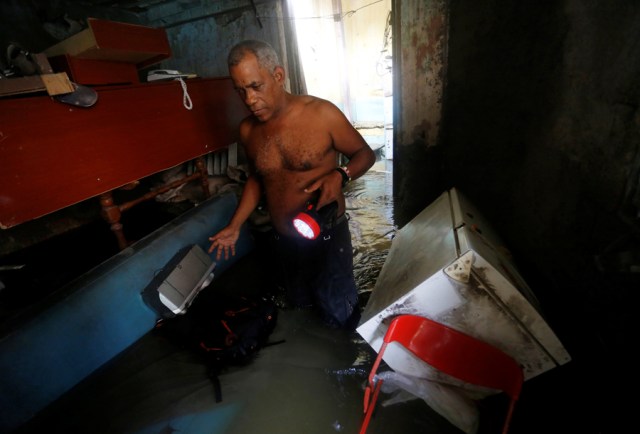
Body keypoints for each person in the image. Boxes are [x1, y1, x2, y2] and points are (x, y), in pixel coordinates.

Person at [208, 39, 376, 329]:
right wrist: (235, 225)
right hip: (284, 240)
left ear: (278, 76)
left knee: (340, 316)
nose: (249, 100)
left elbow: (365, 154)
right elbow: (256, 179)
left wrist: (341, 175)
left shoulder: (322, 114)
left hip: (327, 236)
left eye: (255, 86)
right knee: (299, 308)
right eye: (240, 90)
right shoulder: (248, 130)